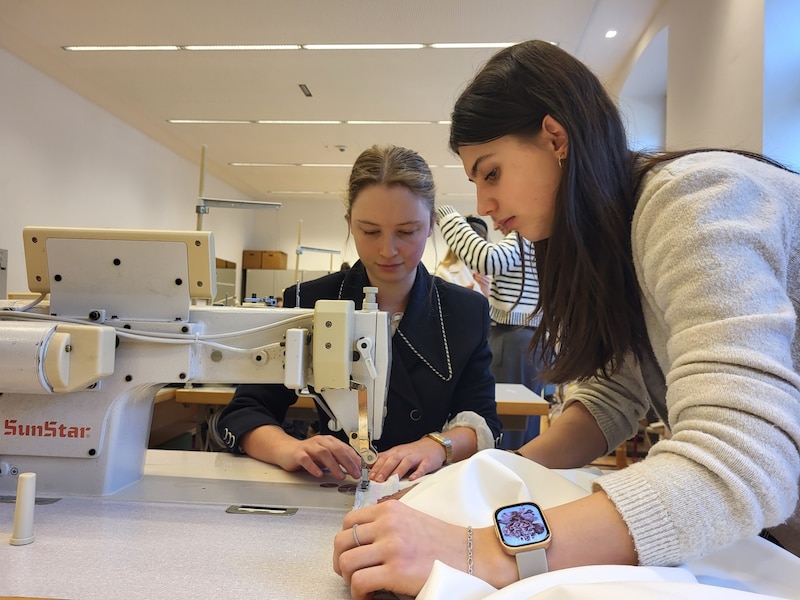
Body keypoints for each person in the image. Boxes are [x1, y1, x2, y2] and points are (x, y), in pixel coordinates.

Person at [333, 40, 800, 597]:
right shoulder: (615, 243)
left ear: (555, 138)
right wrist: (482, 481)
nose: (483, 203)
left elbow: (745, 460)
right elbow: (607, 403)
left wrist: (481, 548)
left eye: (491, 172)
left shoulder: (692, 201)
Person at [216, 144, 502, 483]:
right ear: (350, 223)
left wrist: (437, 445)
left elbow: (483, 419)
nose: (387, 250)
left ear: (429, 226)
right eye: (370, 231)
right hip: (336, 479)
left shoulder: (465, 311)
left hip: (425, 487)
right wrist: (288, 449)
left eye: (407, 231)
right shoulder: (310, 300)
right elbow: (245, 411)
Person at [437, 206, 546, 448]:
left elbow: (486, 260)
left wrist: (446, 216)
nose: (496, 225)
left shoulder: (523, 237)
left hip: (514, 337)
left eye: (499, 218)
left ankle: (506, 472)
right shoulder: (536, 241)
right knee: (520, 422)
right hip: (521, 336)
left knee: (509, 421)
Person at [434, 215, 491, 297]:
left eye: (478, 243)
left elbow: (505, 307)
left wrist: (487, 293)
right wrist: (460, 297)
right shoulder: (444, 272)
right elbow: (441, 305)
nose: (474, 248)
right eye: (469, 243)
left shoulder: (495, 271)